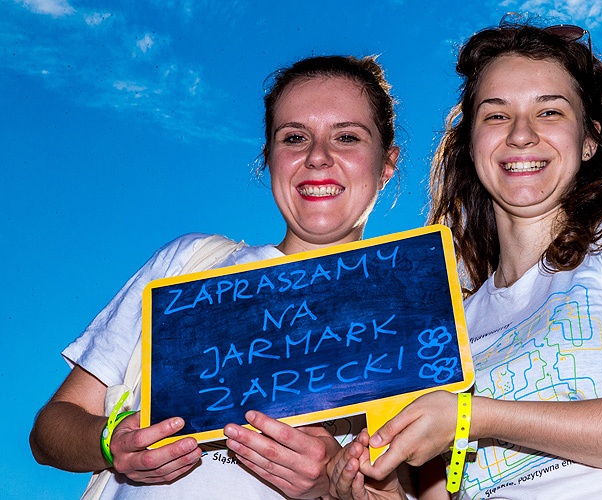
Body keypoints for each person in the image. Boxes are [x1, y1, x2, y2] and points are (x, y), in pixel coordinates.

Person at [328, 17, 602, 500]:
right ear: (470, 144)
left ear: (588, 139)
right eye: (496, 115)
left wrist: (476, 416)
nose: (521, 134)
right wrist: (386, 492)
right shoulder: (449, 321)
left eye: (549, 111)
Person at [29, 54, 400, 499]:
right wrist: (111, 441)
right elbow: (50, 430)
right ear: (269, 158)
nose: (317, 157)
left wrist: (333, 485)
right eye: (294, 137)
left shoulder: (414, 323)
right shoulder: (190, 262)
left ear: (386, 165)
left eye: (347, 137)